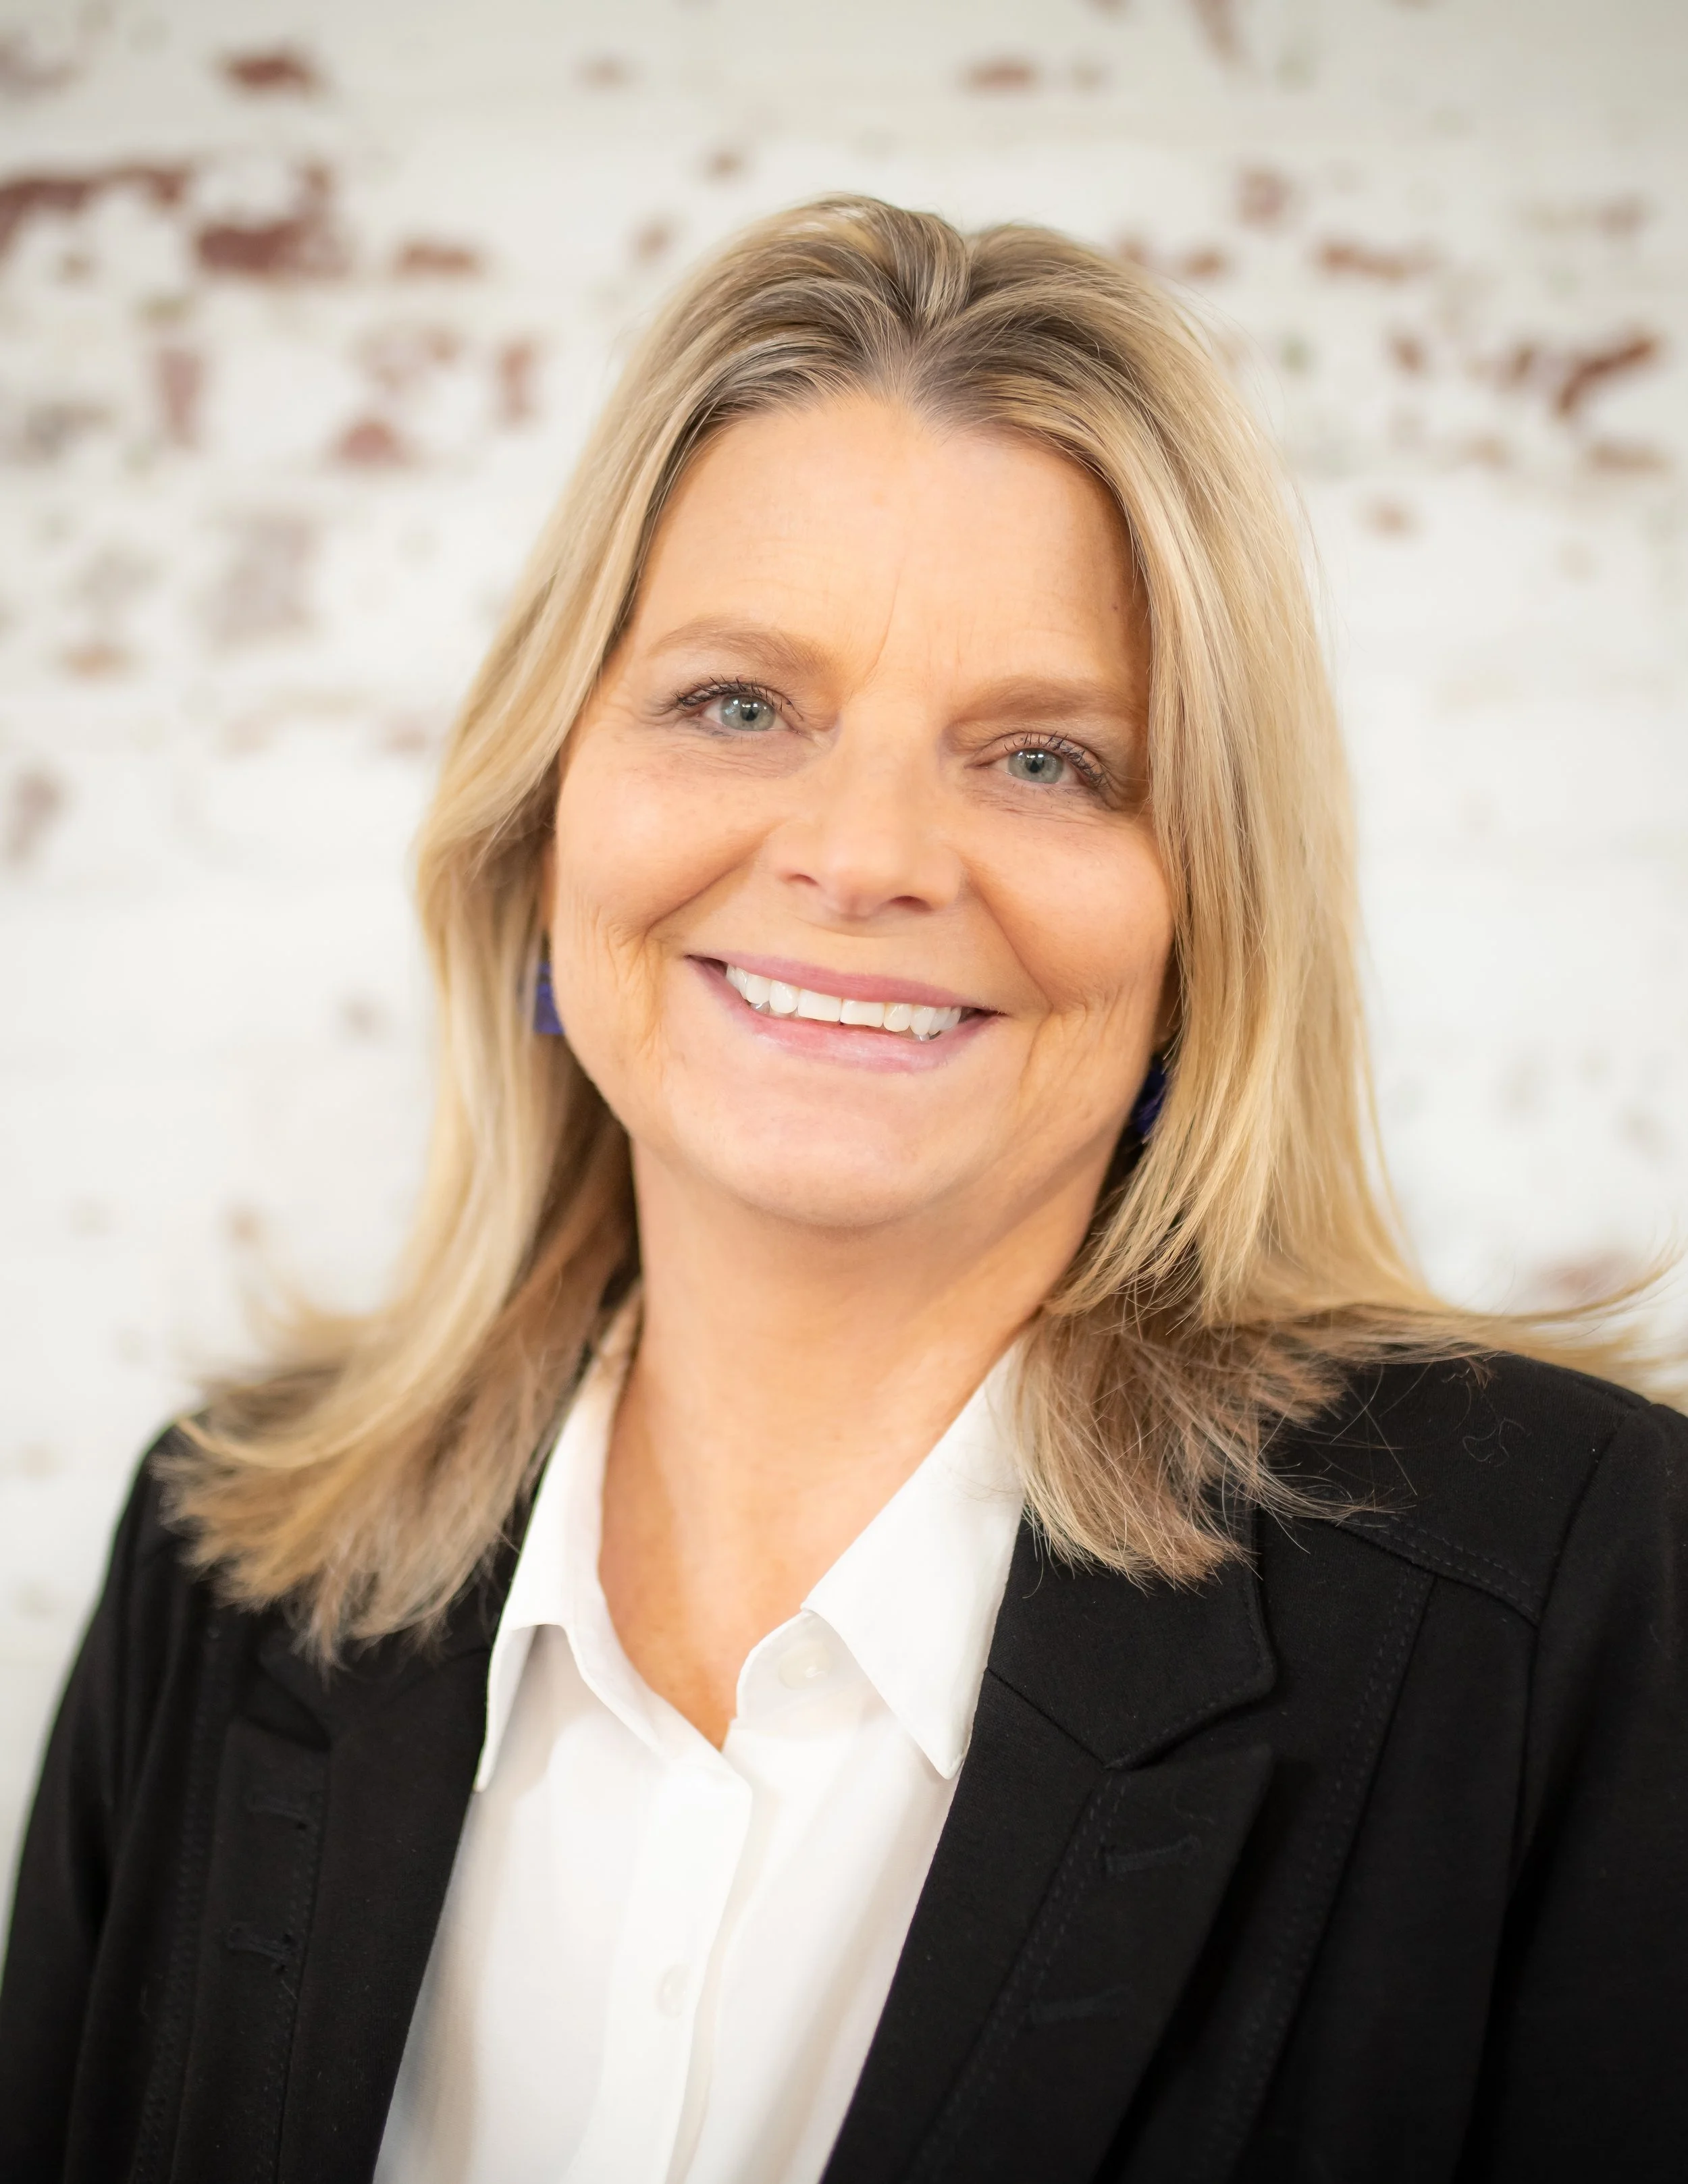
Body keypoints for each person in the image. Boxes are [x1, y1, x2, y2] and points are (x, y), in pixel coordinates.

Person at [2, 196, 1684, 2184]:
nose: (865, 856)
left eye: (1044, 759)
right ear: (546, 813)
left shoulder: (1568, 1598)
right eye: (739, 705)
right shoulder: (228, 1564)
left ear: (1206, 913)